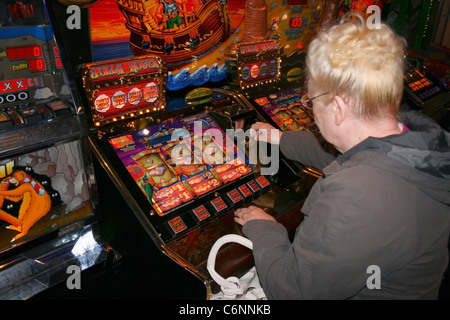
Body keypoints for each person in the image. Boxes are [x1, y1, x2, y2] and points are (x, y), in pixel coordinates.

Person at [234, 13, 450, 299]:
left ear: (338, 108)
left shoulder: (357, 199)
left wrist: (265, 229)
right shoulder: (416, 140)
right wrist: (281, 138)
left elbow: (294, 291)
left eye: (310, 101)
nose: (310, 109)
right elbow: (351, 153)